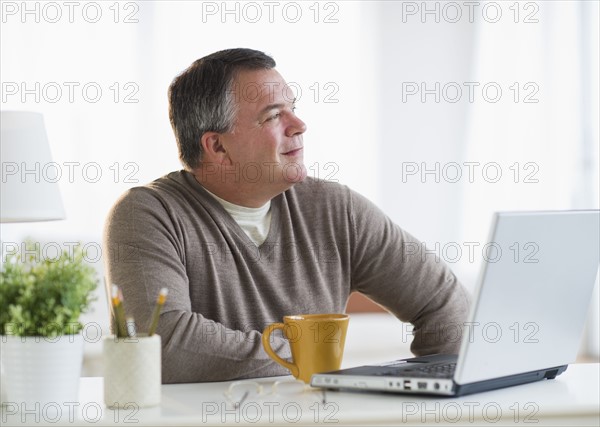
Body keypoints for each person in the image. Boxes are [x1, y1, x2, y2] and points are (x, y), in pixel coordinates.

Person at [103, 48, 471, 384]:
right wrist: (307, 357)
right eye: (274, 116)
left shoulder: (335, 209)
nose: (299, 125)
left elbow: (445, 304)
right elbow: (160, 344)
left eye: (292, 108)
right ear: (217, 146)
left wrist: (431, 393)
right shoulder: (147, 214)